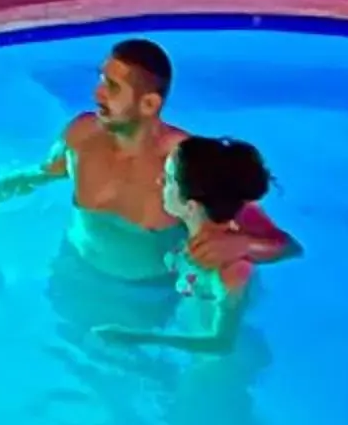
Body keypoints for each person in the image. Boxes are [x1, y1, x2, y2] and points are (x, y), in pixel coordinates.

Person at [0, 37, 293, 287]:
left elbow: (283, 245)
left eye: (112, 87)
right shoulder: (81, 136)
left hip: (149, 297)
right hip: (73, 276)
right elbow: (30, 179)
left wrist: (242, 245)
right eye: (101, 79)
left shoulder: (188, 164)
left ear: (149, 104)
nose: (97, 93)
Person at [97, 136, 283, 352]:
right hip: (189, 325)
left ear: (191, 207)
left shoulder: (230, 269)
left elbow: (221, 344)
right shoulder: (194, 232)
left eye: (168, 179)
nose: (159, 182)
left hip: (220, 365)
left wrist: (133, 338)